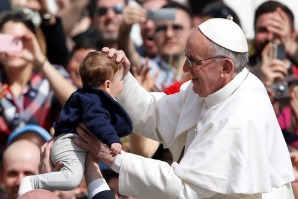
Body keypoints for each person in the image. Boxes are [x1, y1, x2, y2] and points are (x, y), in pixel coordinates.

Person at [72, 18, 295, 198]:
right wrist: (122, 78)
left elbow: (184, 188)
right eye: (186, 57)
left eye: (194, 61)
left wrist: (114, 158)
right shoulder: (210, 88)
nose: (186, 68)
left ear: (225, 67)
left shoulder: (240, 116)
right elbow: (152, 114)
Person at [18, 51, 133, 195]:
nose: (124, 83)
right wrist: (112, 139)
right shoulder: (94, 101)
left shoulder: (85, 96)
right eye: (122, 80)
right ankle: (34, 182)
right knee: (72, 179)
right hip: (70, 144)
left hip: (71, 143)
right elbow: (98, 120)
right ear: (108, 84)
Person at [0, 11, 76, 152]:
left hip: (46, 165)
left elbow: (80, 105)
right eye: (6, 41)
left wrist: (40, 60)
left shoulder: (52, 76)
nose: (12, 49)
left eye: (20, 41)